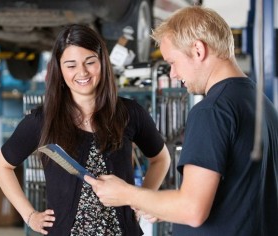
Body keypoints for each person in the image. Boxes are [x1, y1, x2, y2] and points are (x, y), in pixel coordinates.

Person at [85, 5, 278, 236]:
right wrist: (160, 205)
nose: (173, 74)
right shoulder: (261, 103)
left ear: (198, 50)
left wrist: (125, 193)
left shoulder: (211, 111)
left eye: (173, 62)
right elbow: (236, 195)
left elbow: (192, 209)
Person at [0, 24, 171, 236]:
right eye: (71, 65)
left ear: (102, 62)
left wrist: (143, 200)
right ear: (59, 68)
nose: (82, 72)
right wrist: (29, 215)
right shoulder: (42, 120)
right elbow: (0, 166)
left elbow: (161, 159)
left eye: (90, 62)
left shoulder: (129, 113)